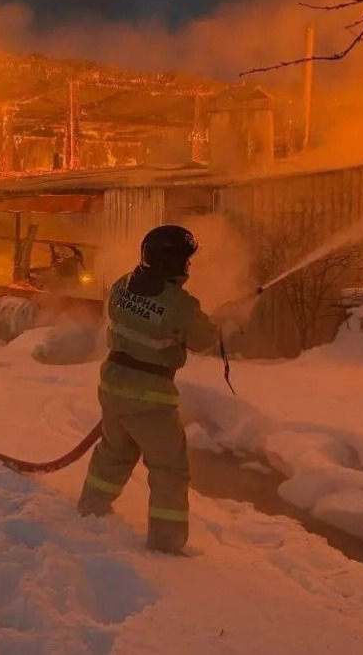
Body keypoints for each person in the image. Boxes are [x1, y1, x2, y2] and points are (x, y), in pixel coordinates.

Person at [76, 224, 225, 554]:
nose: (188, 267)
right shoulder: (181, 305)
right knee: (169, 469)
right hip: (150, 399)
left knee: (113, 454)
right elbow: (203, 339)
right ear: (172, 263)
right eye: (185, 261)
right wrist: (221, 322)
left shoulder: (120, 286)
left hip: (113, 386)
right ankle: (166, 545)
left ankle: (90, 510)